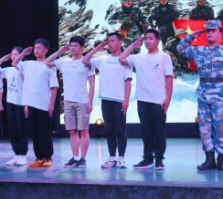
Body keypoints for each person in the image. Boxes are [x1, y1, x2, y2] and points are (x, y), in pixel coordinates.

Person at [177, 20, 223, 171]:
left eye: (213, 30)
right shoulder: (198, 51)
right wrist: (193, 35)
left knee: (221, 127)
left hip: (220, 94)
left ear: (220, 32)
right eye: (208, 30)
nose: (210, 33)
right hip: (203, 94)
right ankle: (209, 159)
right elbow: (180, 48)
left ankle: (221, 159)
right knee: (204, 128)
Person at [119, 29, 173, 170]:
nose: (148, 41)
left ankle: (159, 159)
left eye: (151, 38)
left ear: (157, 40)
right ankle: (148, 159)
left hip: (159, 100)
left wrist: (168, 98)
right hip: (142, 100)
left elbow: (169, 79)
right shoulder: (138, 57)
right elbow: (121, 58)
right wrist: (133, 45)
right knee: (146, 131)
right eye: (146, 39)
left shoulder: (164, 57)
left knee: (159, 131)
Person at [82, 32, 133, 168]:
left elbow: (128, 82)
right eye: (108, 41)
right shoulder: (102, 59)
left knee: (120, 131)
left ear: (120, 42)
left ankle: (121, 158)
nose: (110, 44)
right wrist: (97, 48)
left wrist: (126, 101)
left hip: (119, 100)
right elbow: (85, 60)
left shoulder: (125, 61)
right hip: (106, 100)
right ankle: (112, 157)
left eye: (112, 41)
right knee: (109, 130)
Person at [46, 36, 95, 169]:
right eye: (71, 46)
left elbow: (92, 83)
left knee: (83, 131)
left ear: (82, 48)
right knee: (72, 131)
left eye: (75, 46)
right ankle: (75, 157)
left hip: (82, 101)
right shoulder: (64, 62)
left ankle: (83, 158)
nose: (72, 48)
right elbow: (47, 62)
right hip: (68, 101)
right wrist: (60, 51)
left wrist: (90, 102)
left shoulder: (86, 63)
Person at [13, 39, 59, 168]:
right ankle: (39, 157)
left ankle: (47, 157)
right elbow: (15, 63)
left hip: (44, 104)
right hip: (31, 104)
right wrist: (23, 53)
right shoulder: (28, 64)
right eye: (35, 48)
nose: (36, 50)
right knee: (34, 132)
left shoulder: (49, 66)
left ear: (46, 50)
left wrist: (52, 104)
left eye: (39, 48)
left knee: (45, 132)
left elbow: (54, 87)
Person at [0, 47, 28, 166]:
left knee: (21, 130)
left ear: (21, 55)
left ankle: (23, 156)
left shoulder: (24, 68)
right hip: (10, 103)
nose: (13, 56)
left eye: (16, 54)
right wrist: (3, 59)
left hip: (21, 103)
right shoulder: (8, 70)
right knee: (13, 130)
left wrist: (27, 105)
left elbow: (29, 87)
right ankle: (16, 155)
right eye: (12, 54)